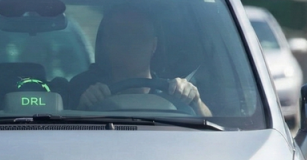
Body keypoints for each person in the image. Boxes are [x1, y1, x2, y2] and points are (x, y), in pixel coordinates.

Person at [67, 7, 211, 116]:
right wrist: (82, 108)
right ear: (105, 43)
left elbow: (213, 130)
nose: (129, 43)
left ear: (153, 45)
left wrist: (195, 101)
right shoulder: (81, 89)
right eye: (119, 35)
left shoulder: (173, 91)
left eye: (139, 36)